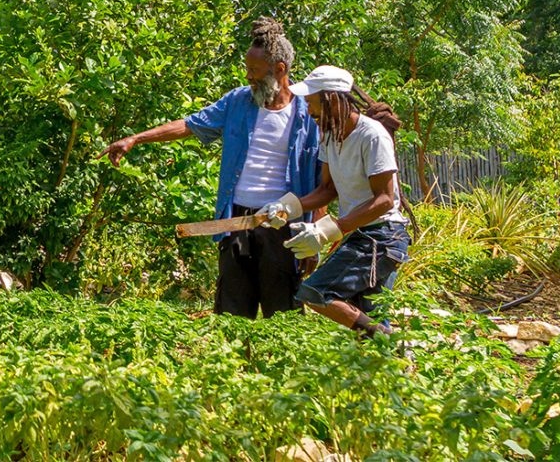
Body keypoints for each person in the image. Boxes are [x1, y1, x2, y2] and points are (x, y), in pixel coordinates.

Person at [98, 18, 320, 318]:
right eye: (247, 70)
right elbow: (190, 125)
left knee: (283, 313)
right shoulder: (238, 101)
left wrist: (315, 236)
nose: (248, 77)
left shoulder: (309, 113)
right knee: (231, 312)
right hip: (236, 221)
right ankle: (232, 364)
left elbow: (322, 181)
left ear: (280, 70)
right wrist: (136, 139)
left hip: (283, 226)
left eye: (254, 71)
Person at [258, 65, 410, 337]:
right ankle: (393, 365)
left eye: (313, 103)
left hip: (383, 236)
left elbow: (386, 199)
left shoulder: (371, 135)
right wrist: (287, 206)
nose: (310, 111)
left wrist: (328, 230)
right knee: (369, 315)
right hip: (363, 233)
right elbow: (327, 190)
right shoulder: (330, 135)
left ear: (331, 99)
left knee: (315, 292)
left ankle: (390, 341)